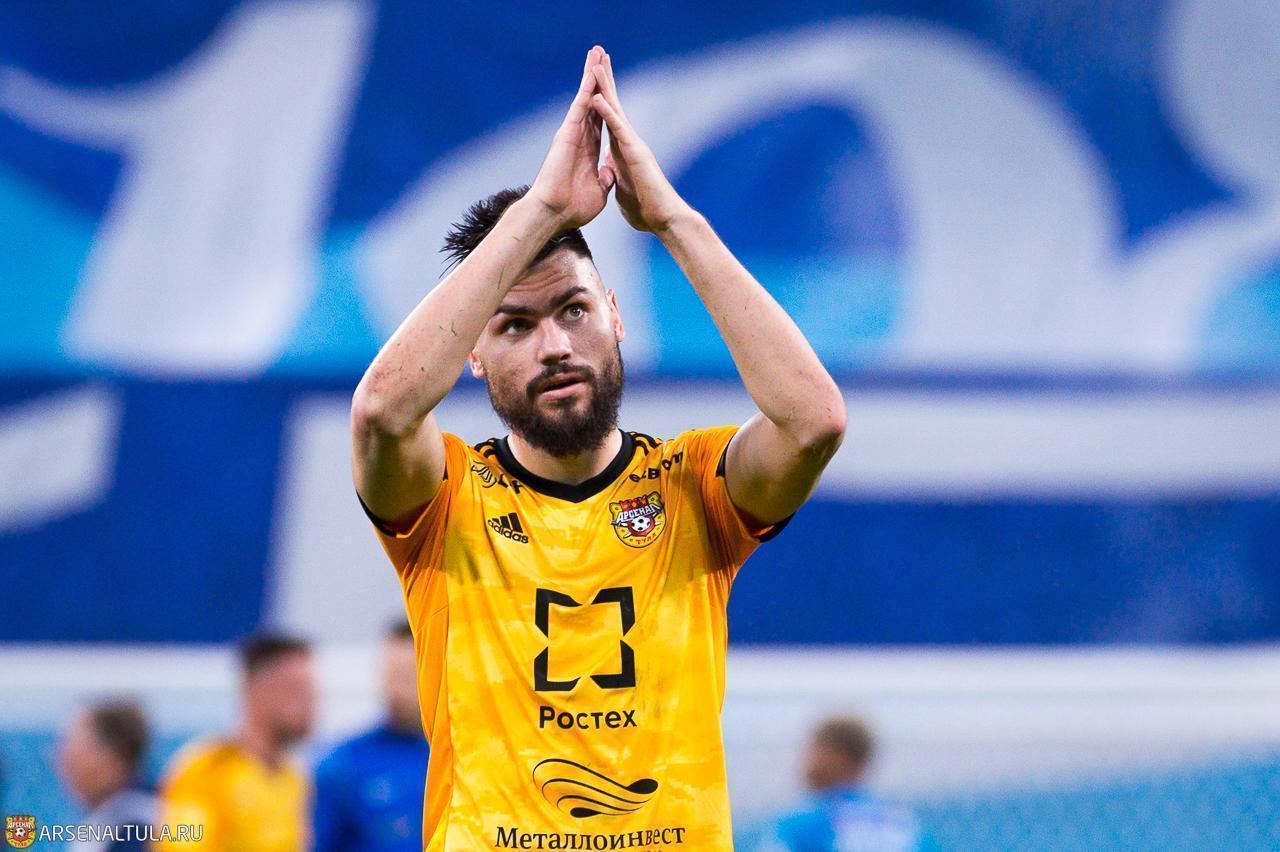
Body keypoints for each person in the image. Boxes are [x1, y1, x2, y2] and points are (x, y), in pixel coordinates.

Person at [350, 45, 846, 849]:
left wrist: (675, 223)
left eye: (573, 311)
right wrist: (544, 208)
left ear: (615, 314)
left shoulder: (694, 487)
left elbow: (813, 421)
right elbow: (381, 414)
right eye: (515, 325)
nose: (554, 346)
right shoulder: (446, 500)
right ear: (472, 354)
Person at [157, 633, 316, 851]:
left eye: (311, 691)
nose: (309, 703)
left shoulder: (295, 777)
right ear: (254, 689)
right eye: (295, 689)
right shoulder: (208, 771)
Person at [312, 620, 430, 852]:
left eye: (407, 676)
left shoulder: (461, 757)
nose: (397, 690)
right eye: (391, 674)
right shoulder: (342, 763)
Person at [754, 716, 935, 852]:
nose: (804, 762)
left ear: (835, 755)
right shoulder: (906, 825)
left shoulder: (806, 823)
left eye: (813, 750)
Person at [57, 699, 154, 852]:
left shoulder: (136, 826)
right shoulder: (112, 817)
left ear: (114, 758)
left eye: (74, 751)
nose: (63, 762)